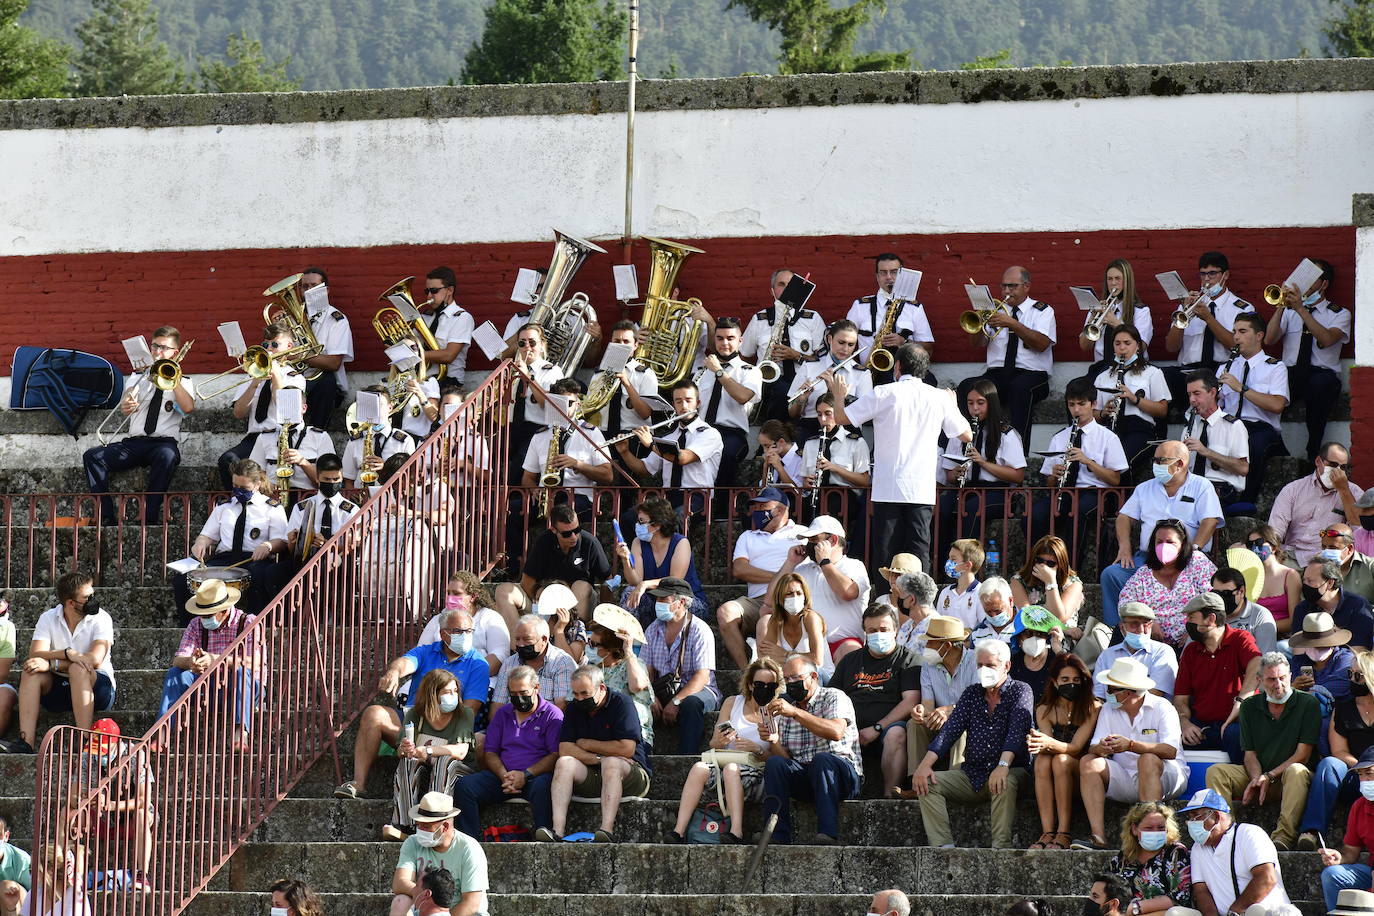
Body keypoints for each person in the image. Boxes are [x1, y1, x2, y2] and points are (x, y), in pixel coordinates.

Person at [833, 342, 971, 579]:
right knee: (920, 549)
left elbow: (841, 417)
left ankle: (884, 601)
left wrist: (838, 396)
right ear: (924, 370)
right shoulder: (938, 396)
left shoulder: (883, 392)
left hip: (888, 486)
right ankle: (923, 603)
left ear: (897, 367)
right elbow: (966, 435)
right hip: (921, 488)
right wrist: (953, 405)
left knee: (885, 552)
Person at [333, 608, 489, 800]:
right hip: (414, 724)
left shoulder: (478, 664)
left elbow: (470, 708)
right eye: (458, 631)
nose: (464, 636)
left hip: (450, 731)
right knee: (374, 713)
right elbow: (405, 662)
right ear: (443, 633)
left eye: (469, 631)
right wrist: (394, 672)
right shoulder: (426, 652)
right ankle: (358, 783)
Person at [910, 638, 1032, 849]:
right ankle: (943, 848)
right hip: (973, 773)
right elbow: (950, 731)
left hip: (1013, 769)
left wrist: (1002, 766)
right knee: (927, 783)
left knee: (1005, 782)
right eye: (980, 665)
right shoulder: (972, 693)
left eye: (990, 665)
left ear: (1006, 666)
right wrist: (925, 765)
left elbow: (1017, 732)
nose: (984, 670)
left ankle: (1000, 848)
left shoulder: (1020, 690)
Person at [1101, 440, 1223, 627]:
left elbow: (1211, 520)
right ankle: (1116, 630)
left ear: (1180, 464)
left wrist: (1194, 550)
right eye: (1154, 460)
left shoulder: (1201, 486)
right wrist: (1124, 548)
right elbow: (1124, 517)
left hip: (1186, 558)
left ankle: (1185, 628)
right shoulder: (1145, 488)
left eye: (1161, 461)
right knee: (1111, 574)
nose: (1155, 465)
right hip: (1148, 560)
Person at [1205, 653, 1320, 850]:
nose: (1278, 685)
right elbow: (1249, 754)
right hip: (1260, 774)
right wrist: (1257, 778)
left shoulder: (1307, 703)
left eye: (1283, 678)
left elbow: (1303, 754)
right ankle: (1226, 834)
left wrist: (1269, 775)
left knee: (1297, 771)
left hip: (1289, 780)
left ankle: (1283, 836)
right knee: (1216, 772)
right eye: (1271, 679)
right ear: (1259, 681)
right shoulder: (1249, 706)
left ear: (1290, 676)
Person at [83, 326, 194, 524]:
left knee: (167, 456)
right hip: (134, 443)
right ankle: (106, 515)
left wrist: (173, 379)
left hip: (163, 443)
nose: (158, 352)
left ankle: (149, 515)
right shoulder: (138, 377)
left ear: (175, 353)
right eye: (155, 347)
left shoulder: (184, 381)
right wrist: (127, 403)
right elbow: (127, 403)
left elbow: (187, 408)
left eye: (164, 348)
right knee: (92, 456)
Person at [667, 657, 783, 844]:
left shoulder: (778, 711)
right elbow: (713, 742)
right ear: (751, 684)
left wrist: (757, 749)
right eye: (760, 684)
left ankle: (736, 832)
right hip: (727, 766)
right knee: (699, 767)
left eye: (771, 685)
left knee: (730, 769)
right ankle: (678, 831)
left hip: (757, 773)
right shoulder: (732, 703)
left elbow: (780, 758)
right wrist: (720, 740)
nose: (765, 689)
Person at [1076, 658, 1188, 851]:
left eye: (1110, 690)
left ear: (1127, 693)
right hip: (1126, 777)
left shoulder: (1162, 707)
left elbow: (1170, 751)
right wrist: (1101, 748)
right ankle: (1098, 838)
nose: (1107, 694)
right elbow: (1093, 747)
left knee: (1148, 759)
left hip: (1166, 776)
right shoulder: (1108, 710)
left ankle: (1152, 833)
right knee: (1088, 762)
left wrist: (1130, 745)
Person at [3, 571, 115, 755]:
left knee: (79, 669)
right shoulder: (48, 617)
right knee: (31, 670)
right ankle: (26, 743)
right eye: (87, 597)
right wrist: (67, 654)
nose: (93, 600)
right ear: (70, 603)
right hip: (59, 688)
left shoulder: (102, 618)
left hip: (97, 687)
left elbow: (94, 660)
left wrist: (52, 664)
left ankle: (86, 742)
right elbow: (35, 653)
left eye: (92, 594)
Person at [543, 665, 653, 843]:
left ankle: (606, 830)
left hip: (632, 774)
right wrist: (599, 758)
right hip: (594, 773)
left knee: (612, 763)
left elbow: (626, 749)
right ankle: (557, 831)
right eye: (576, 694)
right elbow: (565, 749)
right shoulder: (574, 708)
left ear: (601, 688)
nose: (579, 698)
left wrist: (587, 744)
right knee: (564, 762)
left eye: (585, 693)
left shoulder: (621, 703)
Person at [761, 655, 863, 845]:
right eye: (787, 679)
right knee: (775, 763)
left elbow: (836, 731)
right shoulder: (787, 710)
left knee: (822, 759)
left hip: (841, 775)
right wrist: (772, 740)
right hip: (808, 778)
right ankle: (776, 833)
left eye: (796, 677)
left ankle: (827, 833)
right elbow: (786, 760)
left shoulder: (834, 696)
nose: (791, 683)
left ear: (813, 676)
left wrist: (796, 713)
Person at [452, 666, 561, 839]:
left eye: (523, 692)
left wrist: (525, 775)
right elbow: (490, 751)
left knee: (544, 786)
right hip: (503, 777)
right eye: (513, 694)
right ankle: (469, 841)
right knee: (465, 787)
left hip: (535, 776)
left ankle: (544, 834)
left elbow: (555, 755)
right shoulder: (503, 713)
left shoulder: (552, 715)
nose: (518, 698)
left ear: (536, 688)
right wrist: (504, 775)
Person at [174, 459, 291, 619]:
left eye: (244, 488)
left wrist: (268, 546)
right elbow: (206, 536)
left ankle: (255, 625)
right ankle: (190, 627)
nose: (238, 491)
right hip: (224, 559)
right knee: (183, 578)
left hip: (253, 558)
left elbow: (281, 541)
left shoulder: (272, 508)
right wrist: (200, 544)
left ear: (257, 485)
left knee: (261, 576)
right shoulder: (224, 507)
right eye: (235, 486)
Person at [160, 578, 263, 752]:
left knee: (241, 672)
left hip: (243, 689)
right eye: (202, 614)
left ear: (223, 610)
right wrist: (191, 663)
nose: (204, 619)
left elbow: (255, 662)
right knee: (175, 673)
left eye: (208, 615)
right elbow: (178, 659)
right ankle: (163, 731)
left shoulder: (248, 622)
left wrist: (216, 660)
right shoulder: (196, 625)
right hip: (209, 689)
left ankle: (240, 732)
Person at [1031, 378, 1129, 557]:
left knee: (1078, 511)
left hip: (1095, 493)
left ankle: (1069, 568)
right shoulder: (1059, 437)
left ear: (1093, 404)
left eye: (1082, 404)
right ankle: (1037, 564)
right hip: (1064, 493)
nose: (1076, 410)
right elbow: (1049, 484)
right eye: (1072, 404)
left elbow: (1115, 479)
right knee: (1034, 514)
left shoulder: (1108, 437)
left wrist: (1088, 462)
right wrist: (1054, 475)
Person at [830, 604, 920, 795]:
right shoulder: (850, 661)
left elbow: (911, 701)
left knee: (897, 734)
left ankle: (889, 795)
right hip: (849, 729)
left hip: (887, 730)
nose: (878, 634)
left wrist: (877, 728)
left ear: (895, 630)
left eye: (884, 629)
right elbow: (832, 696)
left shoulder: (909, 660)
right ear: (865, 633)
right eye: (872, 630)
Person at [960, 265, 1057, 442]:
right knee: (967, 386)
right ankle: (969, 442)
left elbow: (1041, 344)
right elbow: (976, 344)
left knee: (1019, 388)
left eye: (1012, 286)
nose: (1006, 291)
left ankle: (1019, 451)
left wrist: (1013, 324)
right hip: (997, 374)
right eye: (1003, 286)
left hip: (1033, 375)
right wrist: (979, 320)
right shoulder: (996, 312)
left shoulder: (1042, 311)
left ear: (1026, 286)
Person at [1266, 259, 1347, 460]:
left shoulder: (1339, 313)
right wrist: (1281, 306)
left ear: (1324, 285)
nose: (1304, 284)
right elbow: (1269, 339)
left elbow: (1327, 339)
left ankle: (1313, 450)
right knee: (1264, 390)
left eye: (1311, 279)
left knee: (1319, 386)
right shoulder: (1289, 311)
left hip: (1322, 373)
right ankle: (1276, 446)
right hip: (1291, 371)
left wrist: (1301, 309)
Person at [717, 487, 805, 670]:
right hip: (757, 602)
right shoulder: (747, 536)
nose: (757, 511)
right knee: (726, 612)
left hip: (792, 598)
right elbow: (740, 569)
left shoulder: (802, 534)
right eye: (755, 507)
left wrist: (783, 584)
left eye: (763, 506)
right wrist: (779, 578)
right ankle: (746, 671)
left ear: (780, 510)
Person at [937, 379, 1026, 560]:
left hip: (997, 493)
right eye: (970, 403)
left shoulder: (1006, 434)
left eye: (980, 403)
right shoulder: (960, 433)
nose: (975, 409)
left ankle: (966, 563)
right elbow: (949, 474)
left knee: (972, 508)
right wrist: (956, 473)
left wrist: (983, 463)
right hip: (967, 489)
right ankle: (940, 560)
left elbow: (1018, 475)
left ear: (990, 404)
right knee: (942, 507)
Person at [383, 670, 476, 842]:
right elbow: (399, 752)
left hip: (458, 769)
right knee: (407, 762)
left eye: (455, 691)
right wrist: (405, 749)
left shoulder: (464, 714)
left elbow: (461, 751)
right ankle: (405, 826)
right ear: (433, 694)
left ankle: (436, 823)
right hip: (424, 766)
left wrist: (429, 750)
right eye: (447, 692)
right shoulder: (414, 715)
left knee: (444, 762)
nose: (453, 696)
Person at [216, 321, 308, 490]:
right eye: (266, 345)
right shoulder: (253, 374)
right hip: (254, 437)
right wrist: (253, 383)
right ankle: (240, 503)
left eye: (275, 344)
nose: (269, 349)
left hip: (281, 437)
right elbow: (238, 413)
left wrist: (275, 376)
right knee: (227, 460)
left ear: (289, 346)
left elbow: (286, 409)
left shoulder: (295, 378)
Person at [1178, 788, 1296, 916]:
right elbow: (1201, 890)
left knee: (1255, 910)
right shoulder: (1198, 848)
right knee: (1175, 913)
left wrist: (1234, 912)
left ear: (1217, 817)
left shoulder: (1249, 834)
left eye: (1196, 816)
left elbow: (1267, 878)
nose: (1191, 823)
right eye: (1189, 818)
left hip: (1268, 912)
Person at [1174, 593, 1261, 765]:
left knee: (1237, 734)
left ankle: (1246, 786)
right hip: (1201, 727)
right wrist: (1184, 722)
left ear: (1211, 618)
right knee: (1173, 740)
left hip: (1236, 723)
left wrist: (1241, 701)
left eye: (1192, 617)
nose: (1187, 623)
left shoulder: (1240, 638)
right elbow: (1180, 699)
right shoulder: (1191, 651)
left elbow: (1258, 664)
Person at [768, 515, 871, 661]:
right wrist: (790, 563)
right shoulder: (802, 569)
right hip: (806, 645)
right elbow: (770, 600)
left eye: (814, 540)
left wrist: (825, 562)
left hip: (842, 643)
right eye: (808, 540)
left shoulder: (853, 565)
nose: (810, 544)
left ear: (833, 540)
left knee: (851, 652)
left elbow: (848, 592)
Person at [1300, 650, 1374, 850]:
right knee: (1329, 765)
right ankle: (1312, 832)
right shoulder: (1343, 709)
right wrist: (1364, 769)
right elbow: (1339, 751)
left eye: (1358, 676)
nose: (1352, 680)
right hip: (1354, 772)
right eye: (1349, 674)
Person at [616, 380, 723, 516]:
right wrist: (624, 452)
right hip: (667, 497)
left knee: (677, 518)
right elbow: (644, 470)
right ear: (673, 405)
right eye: (678, 401)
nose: (684, 406)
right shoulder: (669, 437)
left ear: (698, 403)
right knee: (630, 518)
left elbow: (683, 458)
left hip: (697, 497)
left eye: (688, 400)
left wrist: (651, 444)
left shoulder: (709, 433)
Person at [494, 504, 611, 629]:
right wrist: (539, 595)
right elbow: (527, 581)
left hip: (578, 603)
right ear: (553, 530)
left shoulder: (590, 543)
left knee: (581, 586)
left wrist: (604, 618)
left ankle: (573, 638)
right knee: (503, 590)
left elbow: (608, 579)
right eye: (567, 534)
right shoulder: (543, 541)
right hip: (544, 602)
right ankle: (517, 645)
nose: (573, 537)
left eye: (577, 530)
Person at [72, 718, 155, 893]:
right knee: (69, 813)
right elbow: (73, 795)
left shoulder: (136, 754)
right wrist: (89, 797)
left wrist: (113, 805)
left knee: (142, 813)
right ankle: (69, 874)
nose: (98, 754)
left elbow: (143, 799)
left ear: (116, 743)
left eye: (102, 749)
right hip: (101, 814)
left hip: (130, 814)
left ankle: (142, 875)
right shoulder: (88, 756)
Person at [1026, 654, 1100, 851]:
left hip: (1081, 772)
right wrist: (1039, 742)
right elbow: (1046, 749)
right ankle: (1047, 831)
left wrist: (1046, 741)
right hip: (1053, 772)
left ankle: (1064, 832)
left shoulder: (1093, 707)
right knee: (1042, 760)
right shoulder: (1044, 709)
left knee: (1062, 760)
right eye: (1065, 680)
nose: (1071, 684)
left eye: (1076, 680)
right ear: (1054, 682)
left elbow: (1076, 748)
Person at [1214, 313, 1289, 503]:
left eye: (1242, 331)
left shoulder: (1275, 367)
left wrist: (1241, 388)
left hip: (1260, 428)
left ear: (1259, 336)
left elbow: (1277, 405)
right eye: (1234, 332)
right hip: (1230, 425)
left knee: (1253, 446)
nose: (1236, 337)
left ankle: (1246, 502)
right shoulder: (1225, 367)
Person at [641, 577, 721, 754]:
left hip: (699, 690)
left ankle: (688, 757)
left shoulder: (700, 630)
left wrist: (676, 701)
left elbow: (702, 677)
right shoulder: (652, 629)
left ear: (681, 602)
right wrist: (650, 697)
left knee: (691, 704)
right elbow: (645, 672)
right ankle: (642, 757)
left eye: (664, 599)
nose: (658, 603)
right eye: (657, 599)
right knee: (637, 702)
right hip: (663, 689)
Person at [520, 378, 612, 523]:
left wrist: (577, 464)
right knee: (512, 511)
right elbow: (528, 477)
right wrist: (533, 489)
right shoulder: (540, 436)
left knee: (560, 513)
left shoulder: (591, 433)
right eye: (559, 402)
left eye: (569, 403)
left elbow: (607, 475)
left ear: (578, 405)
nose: (564, 407)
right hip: (547, 497)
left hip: (577, 497)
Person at [1162, 251, 1247, 405]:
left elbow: (1237, 347)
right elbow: (1171, 347)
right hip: (1189, 371)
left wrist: (1209, 318)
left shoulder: (1241, 309)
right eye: (1203, 274)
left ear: (1225, 275)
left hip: (1221, 371)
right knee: (1161, 377)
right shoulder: (1190, 305)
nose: (1206, 279)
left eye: (1212, 274)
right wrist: (1184, 312)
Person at [1118, 519, 1218, 648]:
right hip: (1152, 643)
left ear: (1182, 544)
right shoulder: (1144, 574)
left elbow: (1213, 597)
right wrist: (1147, 622)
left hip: (1193, 640)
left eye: (1170, 542)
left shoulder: (1197, 562)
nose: (1164, 547)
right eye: (1159, 542)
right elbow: (1125, 603)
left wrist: (1196, 629)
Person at [743, 269, 825, 424]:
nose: (787, 289)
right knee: (779, 391)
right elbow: (745, 354)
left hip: (805, 384)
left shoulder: (812, 319)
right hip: (770, 388)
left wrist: (796, 356)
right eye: (781, 284)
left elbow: (823, 359)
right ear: (772, 291)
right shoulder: (760, 319)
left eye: (791, 285)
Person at [388, 791, 487, 916]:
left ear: (445, 826)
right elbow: (399, 883)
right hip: (426, 909)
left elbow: (471, 903)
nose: (421, 831)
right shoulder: (412, 843)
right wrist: (426, 894)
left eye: (427, 827)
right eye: (419, 825)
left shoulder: (469, 848)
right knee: (400, 901)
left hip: (462, 913)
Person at [845, 252, 935, 387]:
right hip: (868, 375)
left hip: (905, 377)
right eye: (883, 273)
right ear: (877, 277)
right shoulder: (860, 306)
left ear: (902, 275)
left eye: (894, 272)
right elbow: (843, 341)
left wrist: (904, 343)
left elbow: (928, 350)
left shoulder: (914, 308)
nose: (889, 277)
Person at [617, 496, 708, 625]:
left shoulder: (681, 543)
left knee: (670, 597)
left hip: (684, 599)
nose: (638, 525)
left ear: (657, 525)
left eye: (642, 522)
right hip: (654, 600)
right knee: (629, 592)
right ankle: (629, 640)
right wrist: (625, 560)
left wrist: (645, 584)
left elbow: (675, 581)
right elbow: (635, 581)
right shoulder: (638, 542)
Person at [1269, 442, 1363, 566]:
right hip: (1292, 556)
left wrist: (1344, 490)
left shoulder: (1354, 492)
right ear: (1319, 461)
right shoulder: (1293, 490)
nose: (1338, 471)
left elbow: (1359, 527)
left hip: (1330, 558)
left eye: (1343, 467)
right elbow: (1275, 531)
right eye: (1333, 465)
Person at [695, 316, 763, 489]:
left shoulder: (750, 371)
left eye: (730, 338)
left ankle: (722, 511)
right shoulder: (702, 371)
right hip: (701, 431)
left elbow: (743, 396)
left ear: (740, 341)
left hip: (731, 433)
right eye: (720, 338)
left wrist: (718, 371)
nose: (724, 343)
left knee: (726, 455)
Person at [907, 616, 978, 777]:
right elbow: (928, 705)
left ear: (947, 645)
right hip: (939, 722)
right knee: (914, 724)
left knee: (958, 725)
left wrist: (950, 711)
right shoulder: (928, 665)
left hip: (971, 723)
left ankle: (954, 781)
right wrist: (920, 710)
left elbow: (979, 702)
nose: (926, 646)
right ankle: (916, 781)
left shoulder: (975, 661)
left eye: (931, 642)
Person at [1095, 325, 1169, 477]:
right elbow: (1091, 413)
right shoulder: (1103, 377)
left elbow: (1162, 410)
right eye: (1117, 343)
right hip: (1110, 429)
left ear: (1138, 346)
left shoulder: (1152, 373)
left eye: (1127, 343)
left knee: (1120, 464)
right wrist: (1104, 412)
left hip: (1140, 430)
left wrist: (1134, 399)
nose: (1122, 348)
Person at [788, 319, 873, 444]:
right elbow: (792, 414)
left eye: (851, 345)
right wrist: (801, 401)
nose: (845, 349)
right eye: (841, 342)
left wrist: (839, 395)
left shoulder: (861, 374)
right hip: (811, 428)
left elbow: (865, 415)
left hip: (846, 430)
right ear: (829, 339)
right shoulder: (809, 366)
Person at [800, 393, 871, 537]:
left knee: (833, 502)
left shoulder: (856, 442)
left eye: (828, 414)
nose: (823, 420)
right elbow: (804, 480)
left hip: (844, 497)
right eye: (819, 415)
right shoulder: (810, 443)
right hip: (818, 494)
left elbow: (864, 481)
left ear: (838, 413)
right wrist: (806, 483)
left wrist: (835, 468)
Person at [1108, 801, 1194, 913]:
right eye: (1149, 828)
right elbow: (1107, 890)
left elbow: (1182, 895)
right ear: (1134, 829)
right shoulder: (1123, 859)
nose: (1155, 832)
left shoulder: (1175, 853)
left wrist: (1137, 908)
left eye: (1160, 828)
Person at [1317, 746, 1374, 912]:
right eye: (1360, 775)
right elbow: (1351, 851)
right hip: (1371, 873)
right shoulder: (1359, 806)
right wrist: (1339, 858)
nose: (1364, 780)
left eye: (1369, 773)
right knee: (1332, 874)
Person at [585, 604, 652, 744]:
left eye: (594, 644)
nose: (589, 647)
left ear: (610, 648)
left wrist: (628, 650)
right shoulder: (591, 669)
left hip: (631, 736)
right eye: (589, 642)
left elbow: (637, 686)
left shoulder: (632, 663)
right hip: (599, 733)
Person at [296, 268, 354, 429]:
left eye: (314, 286)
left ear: (326, 290)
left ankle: (317, 433)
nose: (308, 291)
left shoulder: (337, 320)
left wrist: (300, 357)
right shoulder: (292, 318)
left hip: (326, 386)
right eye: (304, 286)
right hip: (298, 380)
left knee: (326, 380)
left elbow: (334, 363)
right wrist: (277, 329)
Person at [1181, 374, 1250, 509]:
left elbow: (1243, 468)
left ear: (1212, 392)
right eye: (1189, 395)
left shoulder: (1233, 426)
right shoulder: (1190, 426)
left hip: (1220, 489)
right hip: (1191, 487)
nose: (1192, 400)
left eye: (1196, 394)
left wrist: (1205, 452)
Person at [1079, 259, 1154, 379]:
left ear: (1127, 281)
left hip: (1132, 369)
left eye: (1118, 278)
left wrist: (1117, 324)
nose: (1113, 283)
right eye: (1110, 279)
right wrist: (1092, 319)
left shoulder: (1141, 311)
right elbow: (1084, 346)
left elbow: (1141, 346)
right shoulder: (1099, 308)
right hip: (1101, 369)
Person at [489, 615, 577, 715]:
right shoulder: (509, 663)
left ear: (544, 639)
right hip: (512, 725)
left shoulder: (562, 662)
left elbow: (561, 706)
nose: (521, 644)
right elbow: (497, 705)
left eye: (527, 639)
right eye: (517, 639)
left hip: (547, 726)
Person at [1092, 603, 1179, 703]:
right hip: (1112, 712)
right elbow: (1098, 696)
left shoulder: (1162, 652)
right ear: (1122, 627)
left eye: (1146, 624)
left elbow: (1157, 692)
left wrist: (1119, 705)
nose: (1141, 630)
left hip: (1150, 713)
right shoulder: (1107, 656)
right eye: (1134, 624)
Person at [757, 572, 833, 682]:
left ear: (805, 596)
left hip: (819, 676)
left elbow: (817, 660)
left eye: (799, 593)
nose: (795, 597)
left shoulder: (810, 618)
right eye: (789, 593)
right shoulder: (775, 621)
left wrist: (785, 654)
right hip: (792, 678)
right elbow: (767, 657)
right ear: (780, 598)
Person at [593, 320, 659, 447]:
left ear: (635, 345)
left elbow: (645, 414)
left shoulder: (645, 375)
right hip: (603, 435)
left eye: (626, 342)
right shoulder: (599, 373)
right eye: (617, 341)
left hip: (633, 437)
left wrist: (626, 382)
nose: (621, 345)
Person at [1294, 559, 1374, 652]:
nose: (1305, 585)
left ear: (1330, 583)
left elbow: (1359, 651)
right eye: (1304, 580)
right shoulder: (1302, 609)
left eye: (1310, 581)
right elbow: (1298, 651)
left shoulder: (1358, 607)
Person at [1011, 536, 1086, 634]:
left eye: (1050, 563)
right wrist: (1066, 630)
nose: (1044, 566)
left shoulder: (1073, 584)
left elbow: (1059, 619)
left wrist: (1050, 582)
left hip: (1062, 639)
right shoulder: (1018, 581)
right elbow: (1027, 617)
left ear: (1060, 565)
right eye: (1039, 560)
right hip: (1032, 635)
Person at [1240, 525, 1301, 638]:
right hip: (1253, 637)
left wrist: (1260, 627)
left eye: (1259, 542)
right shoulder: (1247, 577)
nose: (1254, 548)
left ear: (1273, 547)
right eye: (1250, 544)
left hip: (1284, 638)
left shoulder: (1290, 576)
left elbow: (1294, 621)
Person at [417, 267, 474, 385]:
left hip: (449, 382)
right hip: (423, 381)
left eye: (434, 291)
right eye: (426, 291)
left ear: (450, 290)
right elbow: (410, 344)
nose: (429, 296)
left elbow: (449, 355)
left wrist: (415, 355)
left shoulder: (462, 317)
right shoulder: (425, 317)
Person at [1291, 610, 1355, 713]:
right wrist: (1293, 687)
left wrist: (1294, 692)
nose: (1316, 648)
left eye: (1321, 645)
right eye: (1312, 644)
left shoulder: (1346, 660)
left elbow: (1334, 689)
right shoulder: (1298, 661)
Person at [1212, 566, 1277, 655]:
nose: (1220, 598)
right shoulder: (1209, 615)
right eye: (1216, 593)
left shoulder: (1260, 616)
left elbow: (1266, 659)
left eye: (1226, 593)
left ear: (1241, 591)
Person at [1009, 606, 1066, 703]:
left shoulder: (1057, 658)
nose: (1034, 638)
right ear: (1019, 638)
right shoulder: (1013, 663)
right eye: (1028, 633)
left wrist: (1058, 650)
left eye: (1040, 633)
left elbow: (1073, 677)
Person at [1318, 523, 1374, 606]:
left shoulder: (1370, 567)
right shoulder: (1316, 568)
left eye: (1333, 548)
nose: (1326, 551)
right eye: (1323, 547)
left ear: (1350, 549)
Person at [934, 539, 984, 629]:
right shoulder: (945, 592)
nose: (948, 563)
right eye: (949, 558)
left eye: (953, 559)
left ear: (967, 565)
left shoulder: (981, 593)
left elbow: (983, 626)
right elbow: (939, 623)